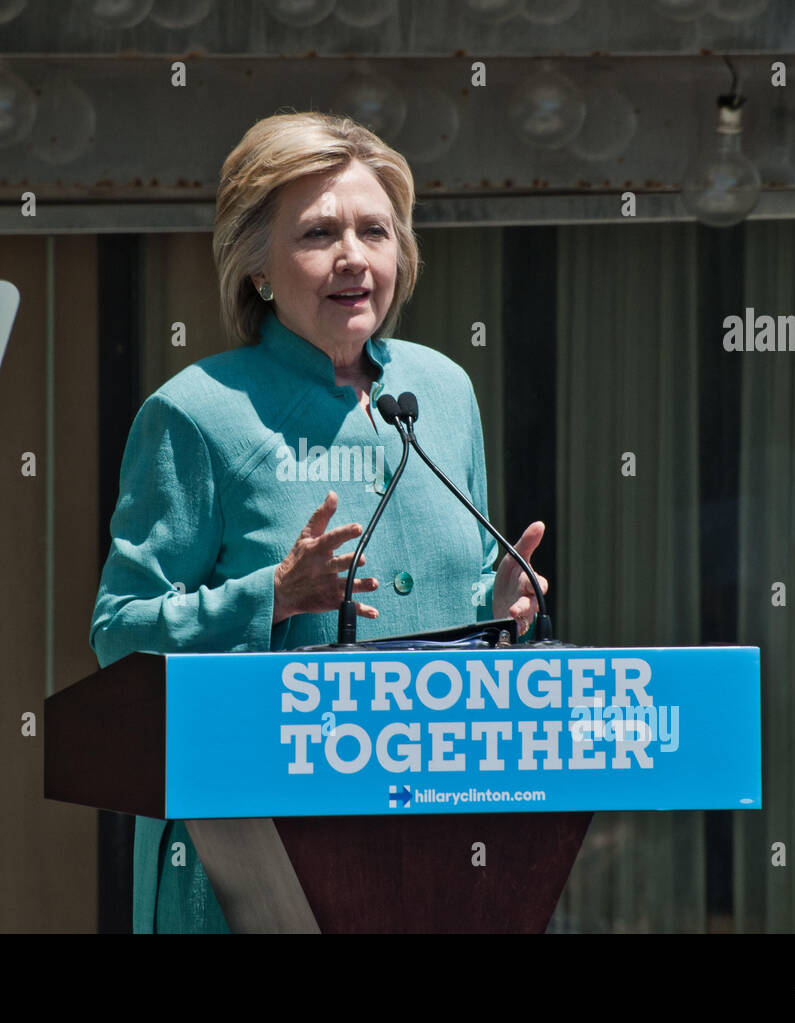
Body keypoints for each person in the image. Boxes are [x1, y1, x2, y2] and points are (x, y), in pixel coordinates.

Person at [89, 110, 549, 933]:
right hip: (256, 863)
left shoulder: (442, 394)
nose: (354, 257)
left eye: (375, 230)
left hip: (439, 844)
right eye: (318, 233)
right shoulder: (196, 414)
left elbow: (442, 594)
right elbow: (119, 632)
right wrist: (271, 596)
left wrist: (500, 602)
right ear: (258, 269)